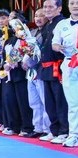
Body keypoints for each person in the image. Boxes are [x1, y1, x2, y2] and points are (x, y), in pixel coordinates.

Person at [39, 0, 69, 144]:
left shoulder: (63, 23)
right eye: (45, 7)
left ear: (59, 8)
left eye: (51, 7)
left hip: (58, 68)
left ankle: (64, 131)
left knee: (60, 101)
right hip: (45, 69)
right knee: (49, 103)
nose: (47, 10)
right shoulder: (47, 25)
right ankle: (54, 130)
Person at [52, 0, 78, 147]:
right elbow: (54, 44)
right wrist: (58, 47)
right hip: (69, 65)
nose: (75, 5)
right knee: (73, 103)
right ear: (68, 7)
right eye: (72, 3)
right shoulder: (62, 25)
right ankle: (74, 134)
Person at [27, 8, 51, 137]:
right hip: (31, 71)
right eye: (36, 15)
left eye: (42, 15)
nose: (38, 18)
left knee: (44, 100)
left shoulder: (48, 31)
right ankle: (38, 127)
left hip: (42, 69)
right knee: (34, 101)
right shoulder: (32, 32)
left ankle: (48, 129)